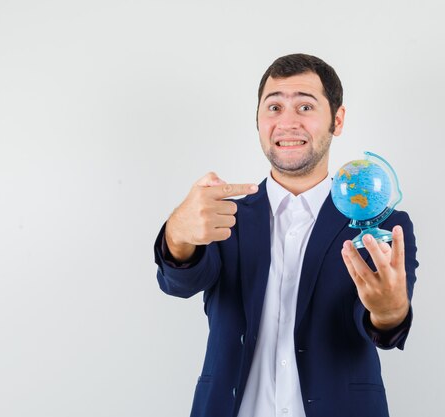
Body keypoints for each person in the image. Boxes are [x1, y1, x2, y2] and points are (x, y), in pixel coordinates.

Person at [153, 53, 419, 417]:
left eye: (305, 106)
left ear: (337, 120)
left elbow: (383, 326)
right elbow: (180, 284)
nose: (287, 122)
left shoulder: (381, 224)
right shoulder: (222, 215)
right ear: (259, 121)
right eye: (274, 107)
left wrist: (390, 311)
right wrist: (177, 235)